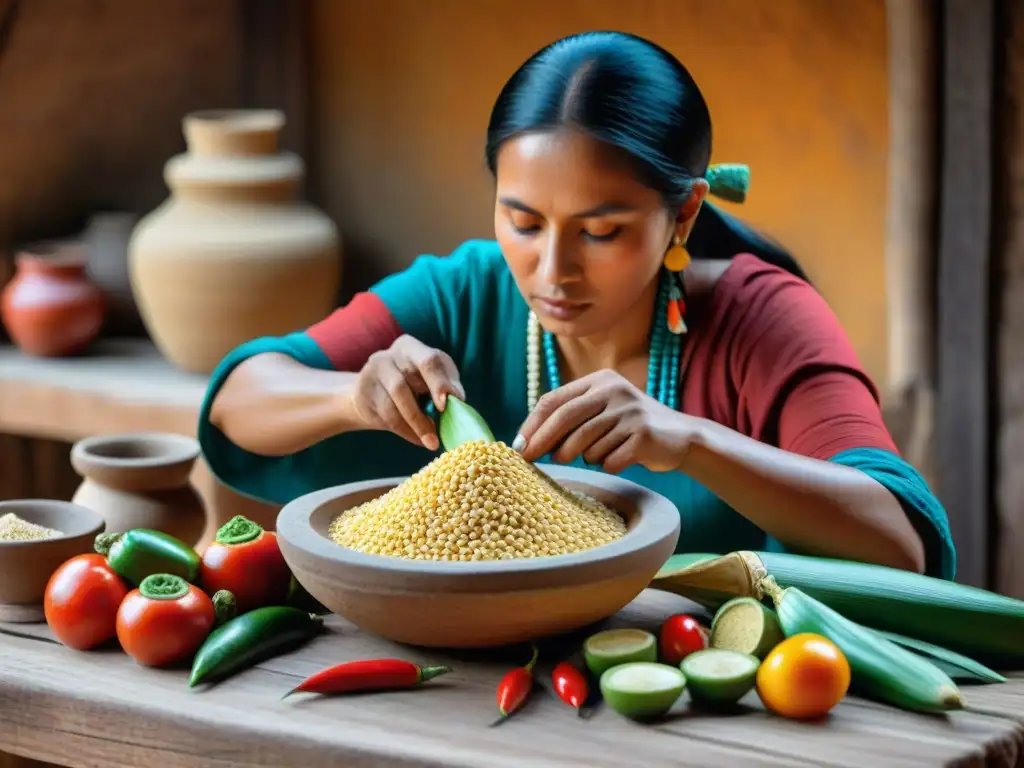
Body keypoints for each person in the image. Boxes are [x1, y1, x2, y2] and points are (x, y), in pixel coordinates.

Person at [200, 31, 954, 579]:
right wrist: (352, 395)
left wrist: (690, 440)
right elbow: (240, 401)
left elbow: (898, 541)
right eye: (523, 222)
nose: (550, 269)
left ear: (683, 215)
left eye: (601, 231)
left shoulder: (763, 319)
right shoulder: (466, 290)